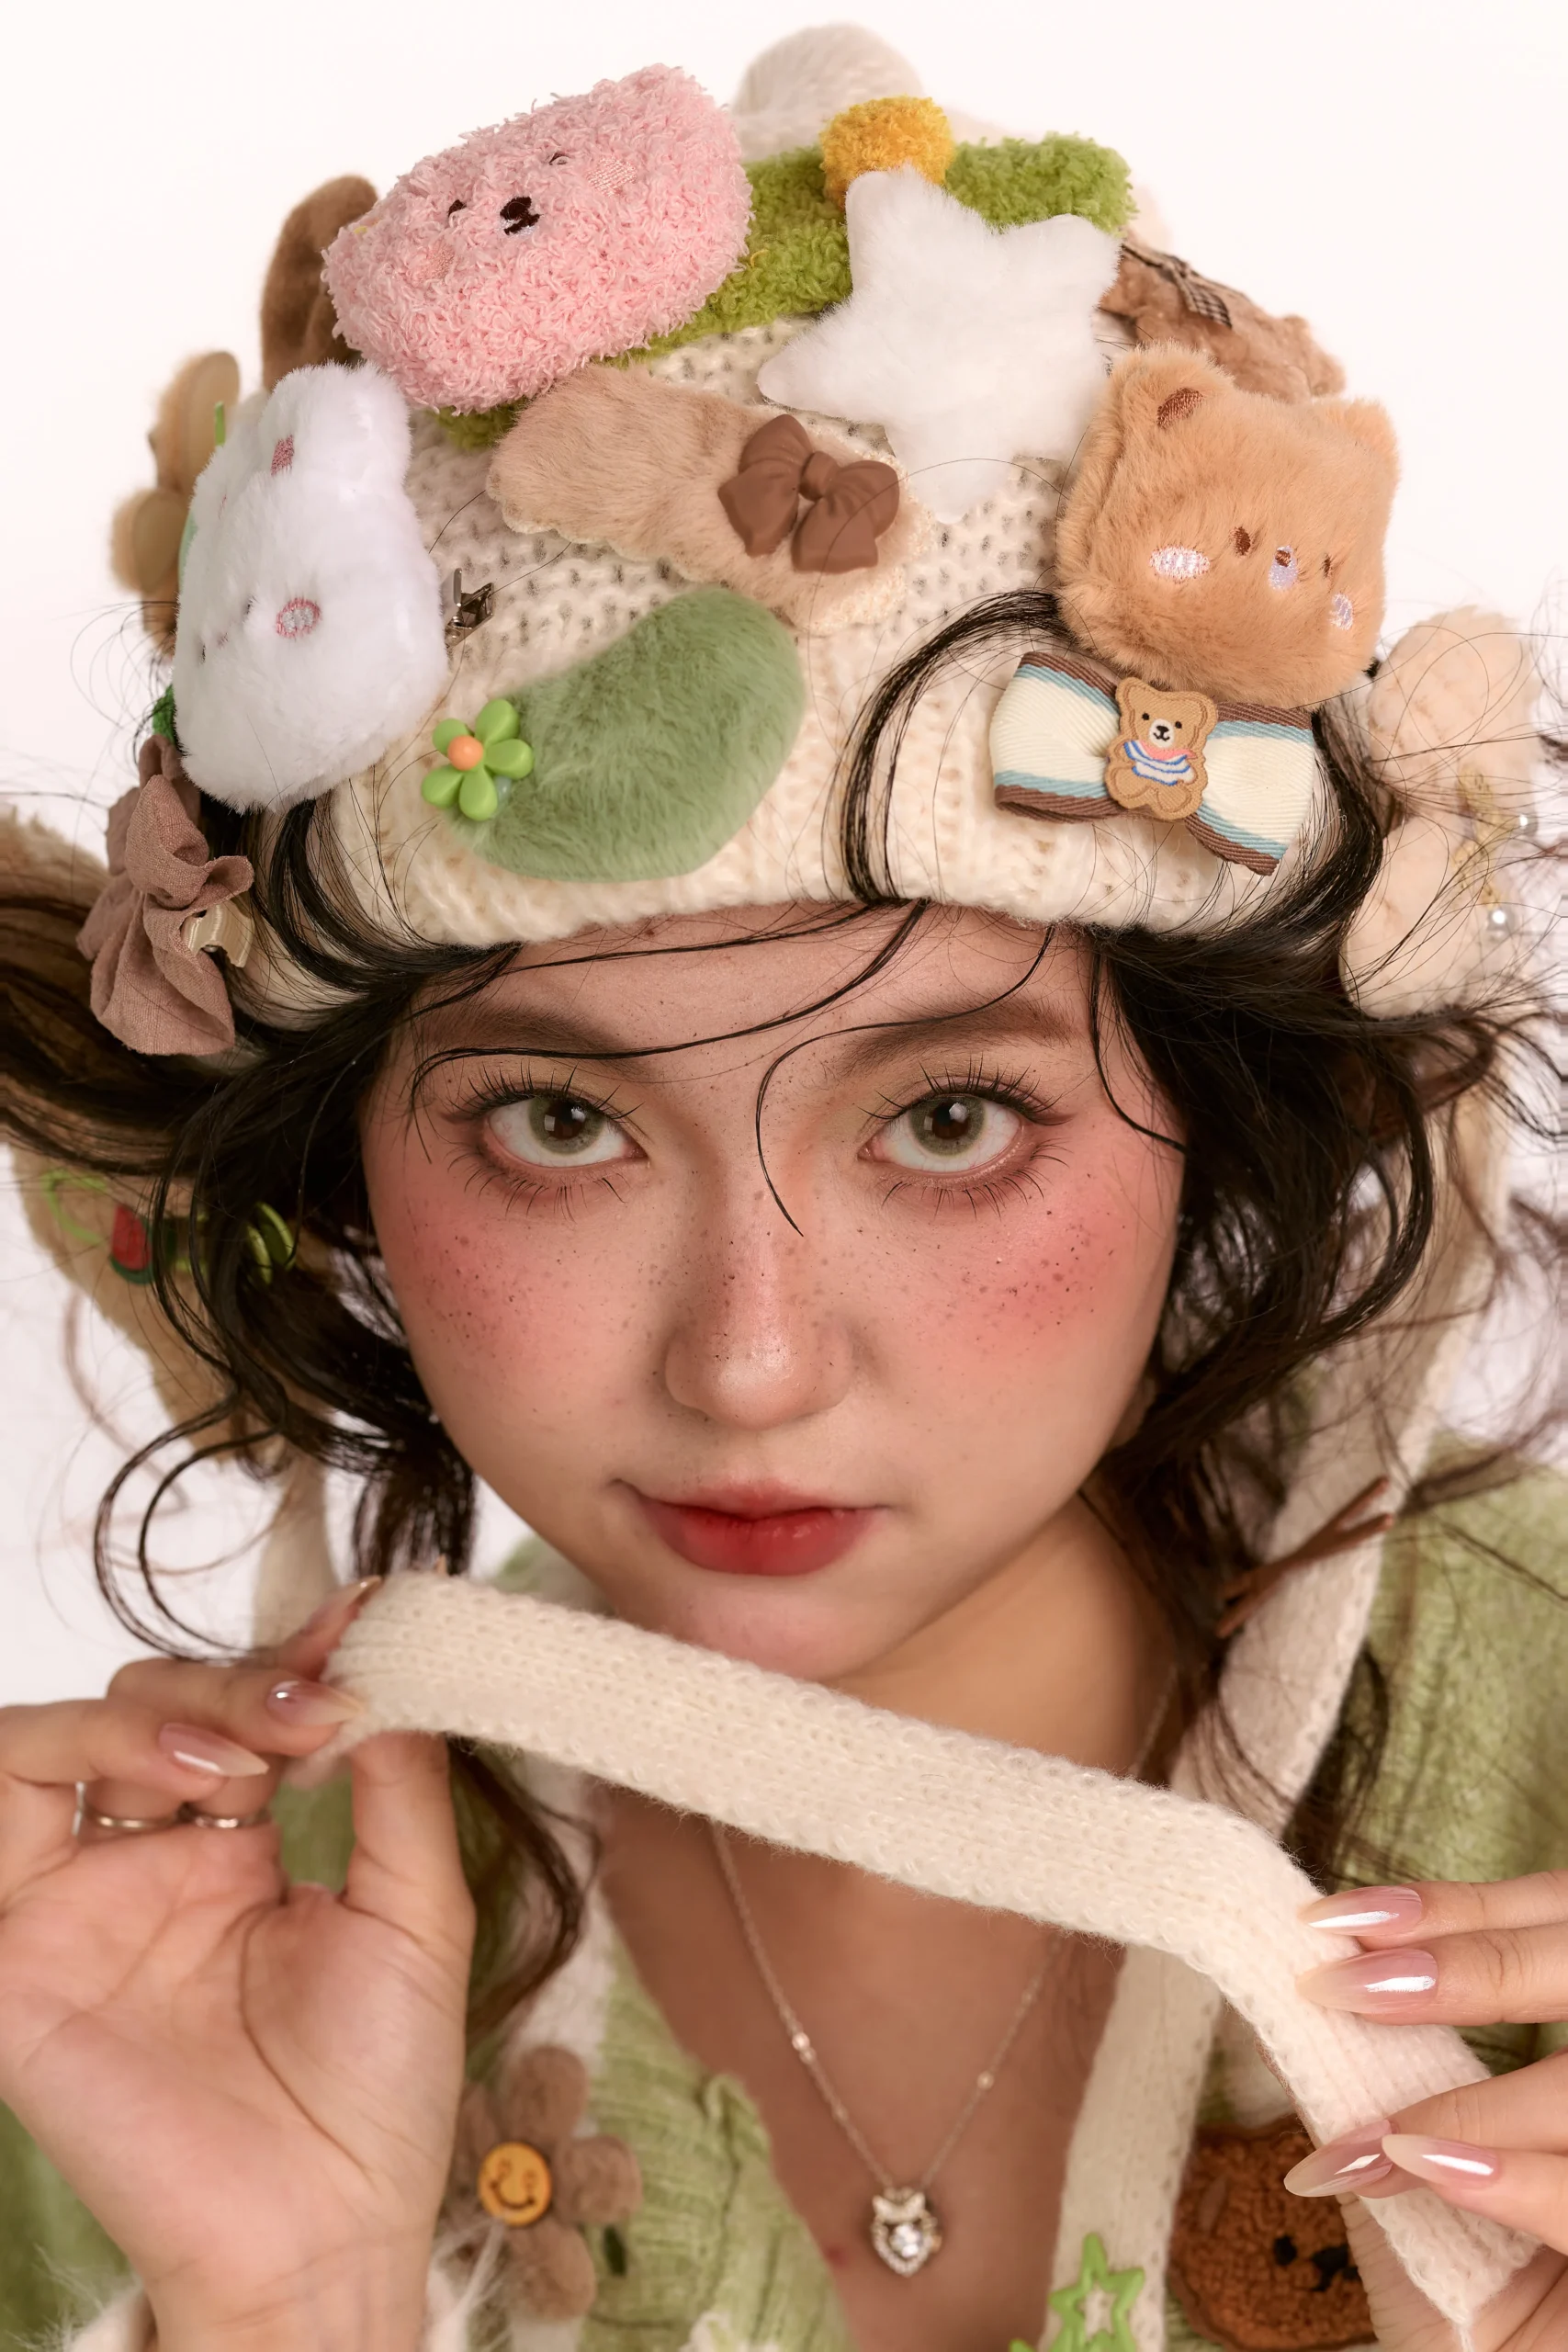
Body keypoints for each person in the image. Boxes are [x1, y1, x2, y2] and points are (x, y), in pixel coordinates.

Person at [0, 26, 1561, 2352]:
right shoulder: (154, 1985)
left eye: (950, 1121)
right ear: (344, 1165)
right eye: (558, 1123)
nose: (747, 1362)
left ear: (1213, 1115)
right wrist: (290, 2291)